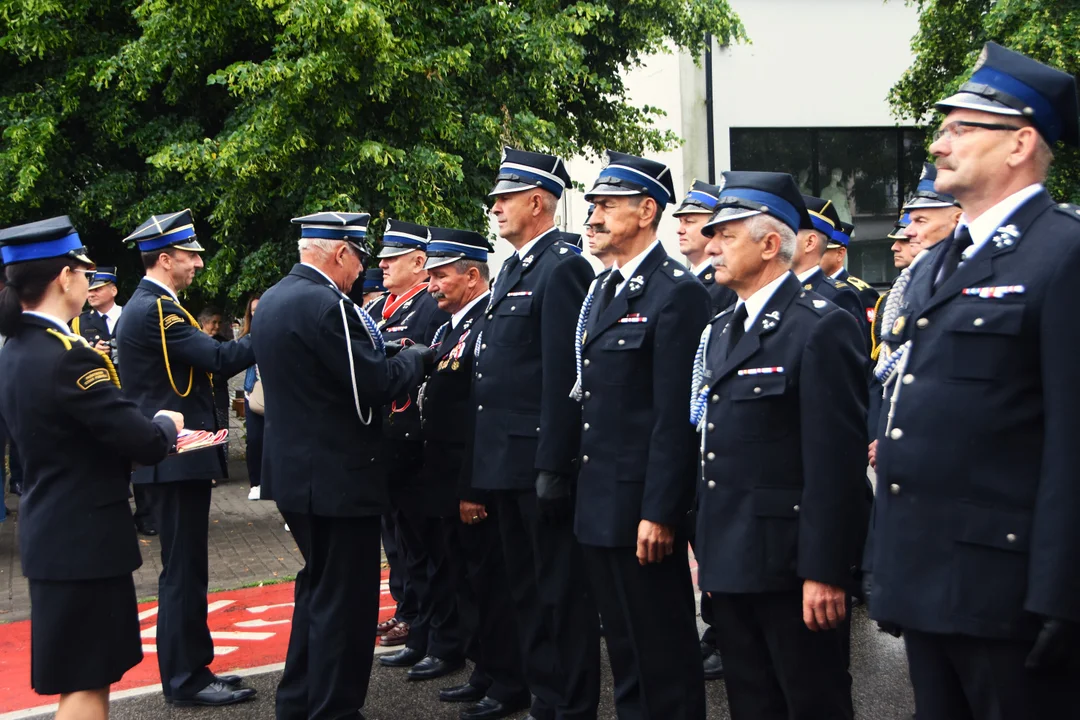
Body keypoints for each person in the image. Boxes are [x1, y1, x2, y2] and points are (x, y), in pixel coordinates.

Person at [866, 42, 1080, 718]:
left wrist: (1062, 592)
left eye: (960, 127)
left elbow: (1073, 442)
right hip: (930, 583)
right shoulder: (936, 265)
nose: (938, 143)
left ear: (1019, 143)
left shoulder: (1063, 255)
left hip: (1009, 591)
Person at [693, 172, 870, 719]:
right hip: (733, 558)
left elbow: (835, 466)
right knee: (752, 703)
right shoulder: (724, 328)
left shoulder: (819, 327)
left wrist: (825, 570)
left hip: (792, 568)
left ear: (771, 244)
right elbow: (716, 444)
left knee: (810, 701)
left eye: (726, 235)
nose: (710, 245)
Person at [0, 216, 183, 720]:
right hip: (82, 542)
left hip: (55, 534)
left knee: (85, 677)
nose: (90, 279)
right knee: (85, 681)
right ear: (65, 277)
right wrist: (167, 422)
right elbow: (142, 440)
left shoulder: (16, 349)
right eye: (84, 271)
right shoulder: (68, 357)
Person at [253, 211, 433, 720]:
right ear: (340, 252)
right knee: (346, 605)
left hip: (296, 475)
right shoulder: (327, 303)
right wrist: (414, 358)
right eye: (359, 258)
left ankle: (298, 701)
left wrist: (386, 352)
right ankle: (333, 709)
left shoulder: (275, 299)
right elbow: (370, 385)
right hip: (337, 477)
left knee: (317, 591)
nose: (362, 271)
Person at [574, 152, 710, 718]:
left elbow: (675, 417)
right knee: (627, 654)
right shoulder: (605, 289)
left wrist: (660, 512)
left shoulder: (674, 291)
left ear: (646, 210)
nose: (594, 217)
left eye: (607, 206)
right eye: (594, 206)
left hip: (640, 511)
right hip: (602, 503)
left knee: (664, 654)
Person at [474, 147, 600, 720]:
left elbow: (563, 374)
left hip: (536, 462)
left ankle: (569, 706)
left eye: (505, 197)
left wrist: (555, 461)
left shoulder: (563, 266)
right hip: (504, 461)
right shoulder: (516, 267)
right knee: (525, 590)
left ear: (537, 201)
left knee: (559, 594)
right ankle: (545, 697)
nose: (495, 207)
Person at [115, 209, 256, 707]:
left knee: (187, 568)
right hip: (171, 459)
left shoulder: (158, 305)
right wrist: (276, 326)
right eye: (190, 254)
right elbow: (220, 359)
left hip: (174, 457)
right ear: (164, 258)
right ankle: (186, 680)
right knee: (181, 572)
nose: (198, 262)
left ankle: (196, 669)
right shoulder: (158, 309)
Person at [420, 228, 532, 720]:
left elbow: (480, 417)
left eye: (441, 275)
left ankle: (507, 681)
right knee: (467, 582)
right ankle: (484, 669)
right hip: (446, 477)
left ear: (472, 276)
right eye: (429, 276)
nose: (432, 286)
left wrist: (472, 488)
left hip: (473, 479)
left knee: (493, 586)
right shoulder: (450, 329)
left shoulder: (487, 324)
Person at [373, 219, 458, 678]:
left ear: (419, 262)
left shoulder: (429, 306)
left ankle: (443, 641)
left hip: (419, 444)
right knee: (409, 552)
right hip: (393, 446)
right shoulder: (385, 308)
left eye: (393, 256)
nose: (382, 263)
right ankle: (422, 632)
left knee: (432, 552)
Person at [791, 195, 869, 345]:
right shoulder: (778, 289)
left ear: (810, 242)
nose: (779, 237)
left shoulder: (838, 296)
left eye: (788, 232)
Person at [675, 179, 738, 315]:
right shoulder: (674, 280)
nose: (679, 230)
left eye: (689, 221)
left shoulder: (729, 284)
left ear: (714, 226)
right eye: (680, 222)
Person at [822, 223, 879, 327]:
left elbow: (869, 338)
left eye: (821, 250)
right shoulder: (808, 285)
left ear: (840, 253)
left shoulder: (861, 292)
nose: (814, 254)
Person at [240, 294, 263, 501]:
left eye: (259, 309)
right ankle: (255, 483)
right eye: (253, 310)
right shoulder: (247, 336)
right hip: (252, 393)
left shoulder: (277, 330)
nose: (256, 313)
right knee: (254, 440)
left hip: (276, 395)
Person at [71, 266, 122, 358]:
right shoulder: (79, 323)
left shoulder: (130, 316)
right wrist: (93, 353)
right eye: (88, 291)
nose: (91, 295)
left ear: (113, 291)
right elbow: (73, 356)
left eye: (97, 290)